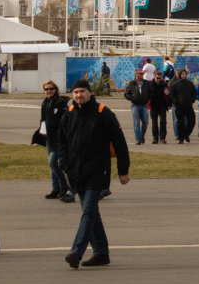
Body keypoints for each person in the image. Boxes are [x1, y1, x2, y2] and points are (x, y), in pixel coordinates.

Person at [55, 78, 131, 269]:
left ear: (89, 93)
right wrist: (65, 165)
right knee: (91, 213)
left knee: (88, 209)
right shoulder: (69, 113)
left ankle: (76, 251)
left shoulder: (102, 112)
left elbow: (119, 142)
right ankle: (101, 253)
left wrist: (123, 171)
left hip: (97, 171)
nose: (79, 95)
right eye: (75, 92)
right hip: (76, 172)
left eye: (82, 91)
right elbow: (61, 141)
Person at [40, 80, 74, 202]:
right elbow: (43, 119)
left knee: (53, 162)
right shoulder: (45, 102)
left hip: (59, 139)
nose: (49, 91)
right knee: (51, 166)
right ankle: (56, 189)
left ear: (55, 89)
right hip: (49, 138)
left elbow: (66, 120)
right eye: (46, 89)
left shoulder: (60, 102)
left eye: (51, 89)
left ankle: (64, 186)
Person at [122, 69, 151, 145]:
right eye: (140, 74)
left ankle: (142, 136)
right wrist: (131, 98)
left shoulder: (146, 83)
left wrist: (148, 98)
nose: (141, 75)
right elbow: (126, 93)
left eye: (142, 74)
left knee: (145, 122)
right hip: (135, 105)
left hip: (144, 105)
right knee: (136, 122)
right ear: (136, 75)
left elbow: (151, 92)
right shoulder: (131, 83)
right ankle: (138, 139)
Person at [169, 69, 197, 144]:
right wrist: (176, 102)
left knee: (192, 121)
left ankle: (186, 134)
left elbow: (194, 93)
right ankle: (181, 138)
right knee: (180, 123)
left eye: (185, 74)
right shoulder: (175, 84)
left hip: (188, 106)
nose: (184, 75)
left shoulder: (190, 83)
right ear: (180, 75)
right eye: (182, 74)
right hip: (179, 107)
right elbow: (171, 95)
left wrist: (192, 100)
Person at [147, 70, 170, 144]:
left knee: (163, 122)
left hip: (162, 106)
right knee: (154, 122)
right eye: (157, 78)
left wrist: (169, 104)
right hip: (153, 106)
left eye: (160, 78)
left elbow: (168, 94)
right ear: (154, 76)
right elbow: (147, 94)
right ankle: (155, 138)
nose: (159, 80)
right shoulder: (150, 84)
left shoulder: (164, 85)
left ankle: (162, 138)